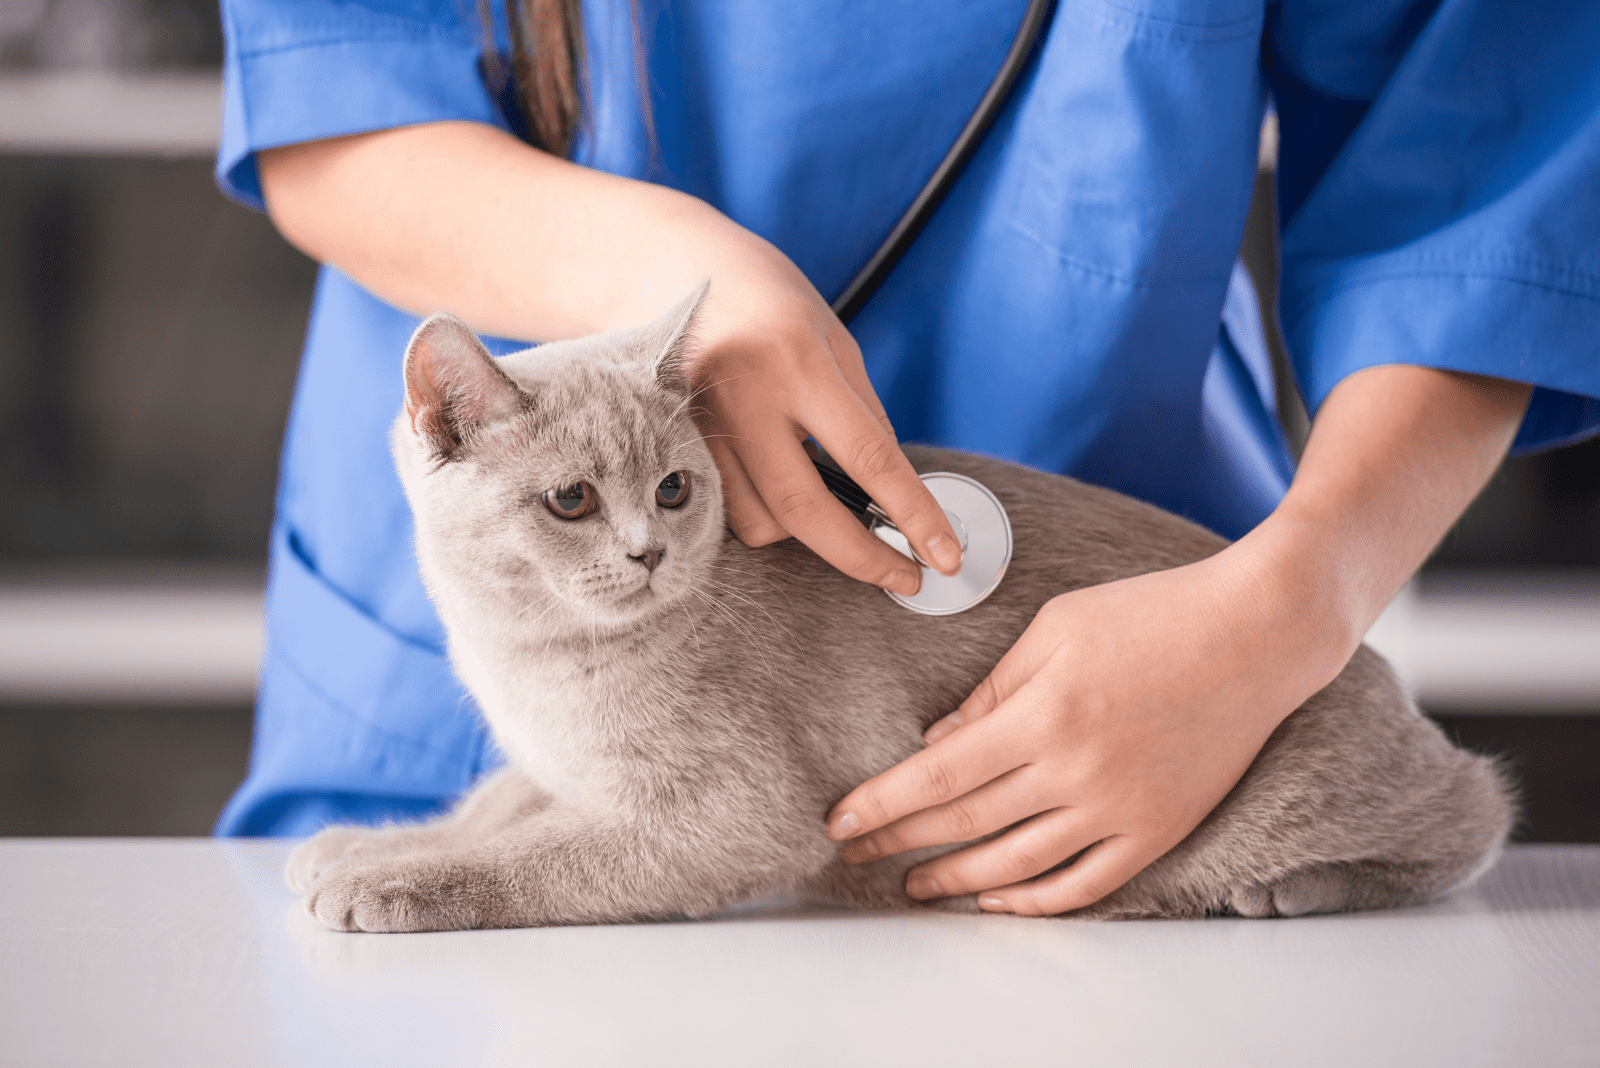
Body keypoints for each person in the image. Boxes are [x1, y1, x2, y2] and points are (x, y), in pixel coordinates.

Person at [215, 0, 1599, 916]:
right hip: (479, 625)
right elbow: (331, 96)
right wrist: (688, 285)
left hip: (1135, 663)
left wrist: (1296, 600)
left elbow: (1477, 189)